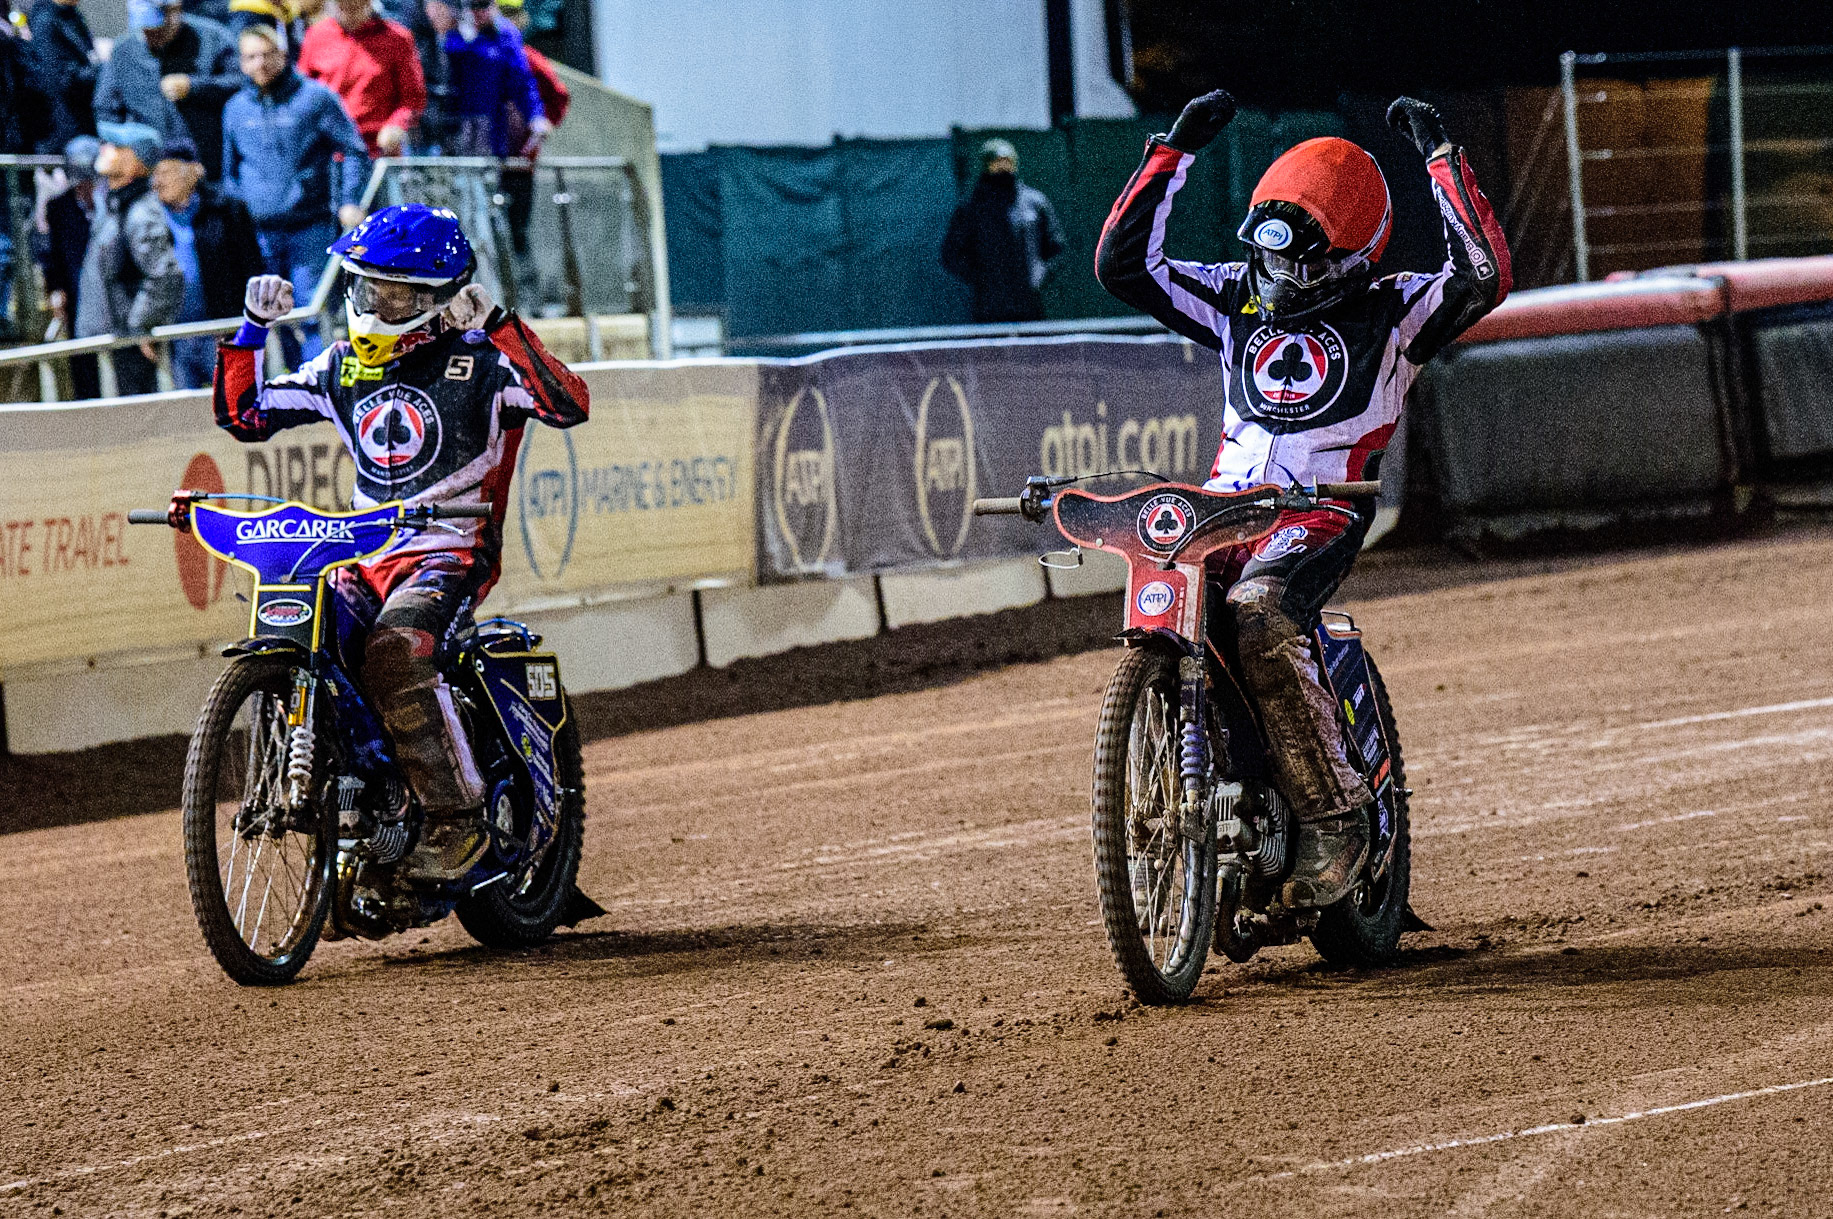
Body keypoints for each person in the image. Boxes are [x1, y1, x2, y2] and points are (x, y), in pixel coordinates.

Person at [1094, 91, 1511, 908]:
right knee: (1168, 604)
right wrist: (1170, 153)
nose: (1284, 276)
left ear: (1353, 258)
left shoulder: (1394, 311)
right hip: (1222, 508)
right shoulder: (1230, 300)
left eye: (1305, 263)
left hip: (1321, 507)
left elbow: (1484, 273)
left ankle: (1336, 819)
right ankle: (1223, 777)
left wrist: (1439, 161)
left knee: (1258, 614)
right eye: (1274, 258)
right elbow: (1124, 267)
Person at [212, 203, 589, 875]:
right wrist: (250, 329)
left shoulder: (482, 361)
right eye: (368, 286)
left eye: (402, 293)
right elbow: (243, 416)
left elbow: (568, 404)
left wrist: (500, 325)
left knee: (394, 651)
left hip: (451, 550)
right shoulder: (339, 367)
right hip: (363, 554)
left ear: (439, 297)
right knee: (304, 637)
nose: (380, 304)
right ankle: (356, 806)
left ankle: (458, 818)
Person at [221, 23, 369, 362]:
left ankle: (320, 382)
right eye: (250, 57)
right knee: (271, 314)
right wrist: (240, 208)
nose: (259, 64)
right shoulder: (235, 109)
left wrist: (350, 200)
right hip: (259, 231)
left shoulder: (315, 97)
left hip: (310, 225)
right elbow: (231, 170)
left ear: (283, 55)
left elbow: (354, 151)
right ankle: (290, 388)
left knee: (310, 311)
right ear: (242, 63)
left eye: (266, 54)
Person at [76, 121, 185, 395]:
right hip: (111, 342)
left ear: (134, 161)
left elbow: (166, 274)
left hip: (130, 347)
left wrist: (141, 325)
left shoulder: (140, 212)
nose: (104, 148)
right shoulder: (114, 206)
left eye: (115, 145)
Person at [149, 135, 264, 387]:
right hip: (175, 336)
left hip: (222, 332)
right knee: (186, 418)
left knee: (235, 404)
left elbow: (250, 269)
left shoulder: (226, 210)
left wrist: (242, 326)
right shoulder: (150, 217)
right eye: (155, 174)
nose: (157, 182)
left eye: (165, 172)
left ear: (192, 171)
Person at [93, 0, 242, 182]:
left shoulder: (213, 38)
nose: (151, 36)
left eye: (157, 29)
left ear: (175, 11)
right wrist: (133, 150)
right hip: (152, 173)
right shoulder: (124, 50)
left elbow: (241, 84)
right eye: (145, 30)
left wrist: (194, 86)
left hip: (207, 167)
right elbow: (105, 108)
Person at [941, 138, 1066, 324]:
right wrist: (982, 280)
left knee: (1031, 352)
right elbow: (951, 253)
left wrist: (1038, 276)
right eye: (997, 162)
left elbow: (1056, 247)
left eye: (1007, 161)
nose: (1003, 166)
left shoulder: (1035, 201)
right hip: (989, 308)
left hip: (1029, 305)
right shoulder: (971, 206)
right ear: (987, 165)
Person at [298, 0, 425, 158]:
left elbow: (413, 97)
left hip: (377, 148)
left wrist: (396, 125)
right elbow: (301, 94)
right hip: (329, 149)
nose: (348, 6)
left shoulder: (397, 38)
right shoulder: (316, 36)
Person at [428, 0, 546, 159]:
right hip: (448, 122)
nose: (477, 11)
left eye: (483, 5)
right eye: (472, 6)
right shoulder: (453, 29)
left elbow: (522, 82)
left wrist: (536, 115)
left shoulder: (505, 33)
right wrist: (454, 34)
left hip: (489, 123)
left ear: (493, 5)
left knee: (486, 175)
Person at [39, 135, 103, 395]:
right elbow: (51, 254)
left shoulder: (111, 202)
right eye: (81, 183)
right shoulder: (59, 208)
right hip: (78, 294)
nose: (86, 189)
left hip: (109, 295)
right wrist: (55, 289)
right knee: (83, 364)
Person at [28, 0, 100, 153]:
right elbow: (61, 79)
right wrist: (101, 70)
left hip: (86, 123)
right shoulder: (46, 21)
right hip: (67, 131)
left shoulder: (72, 16)